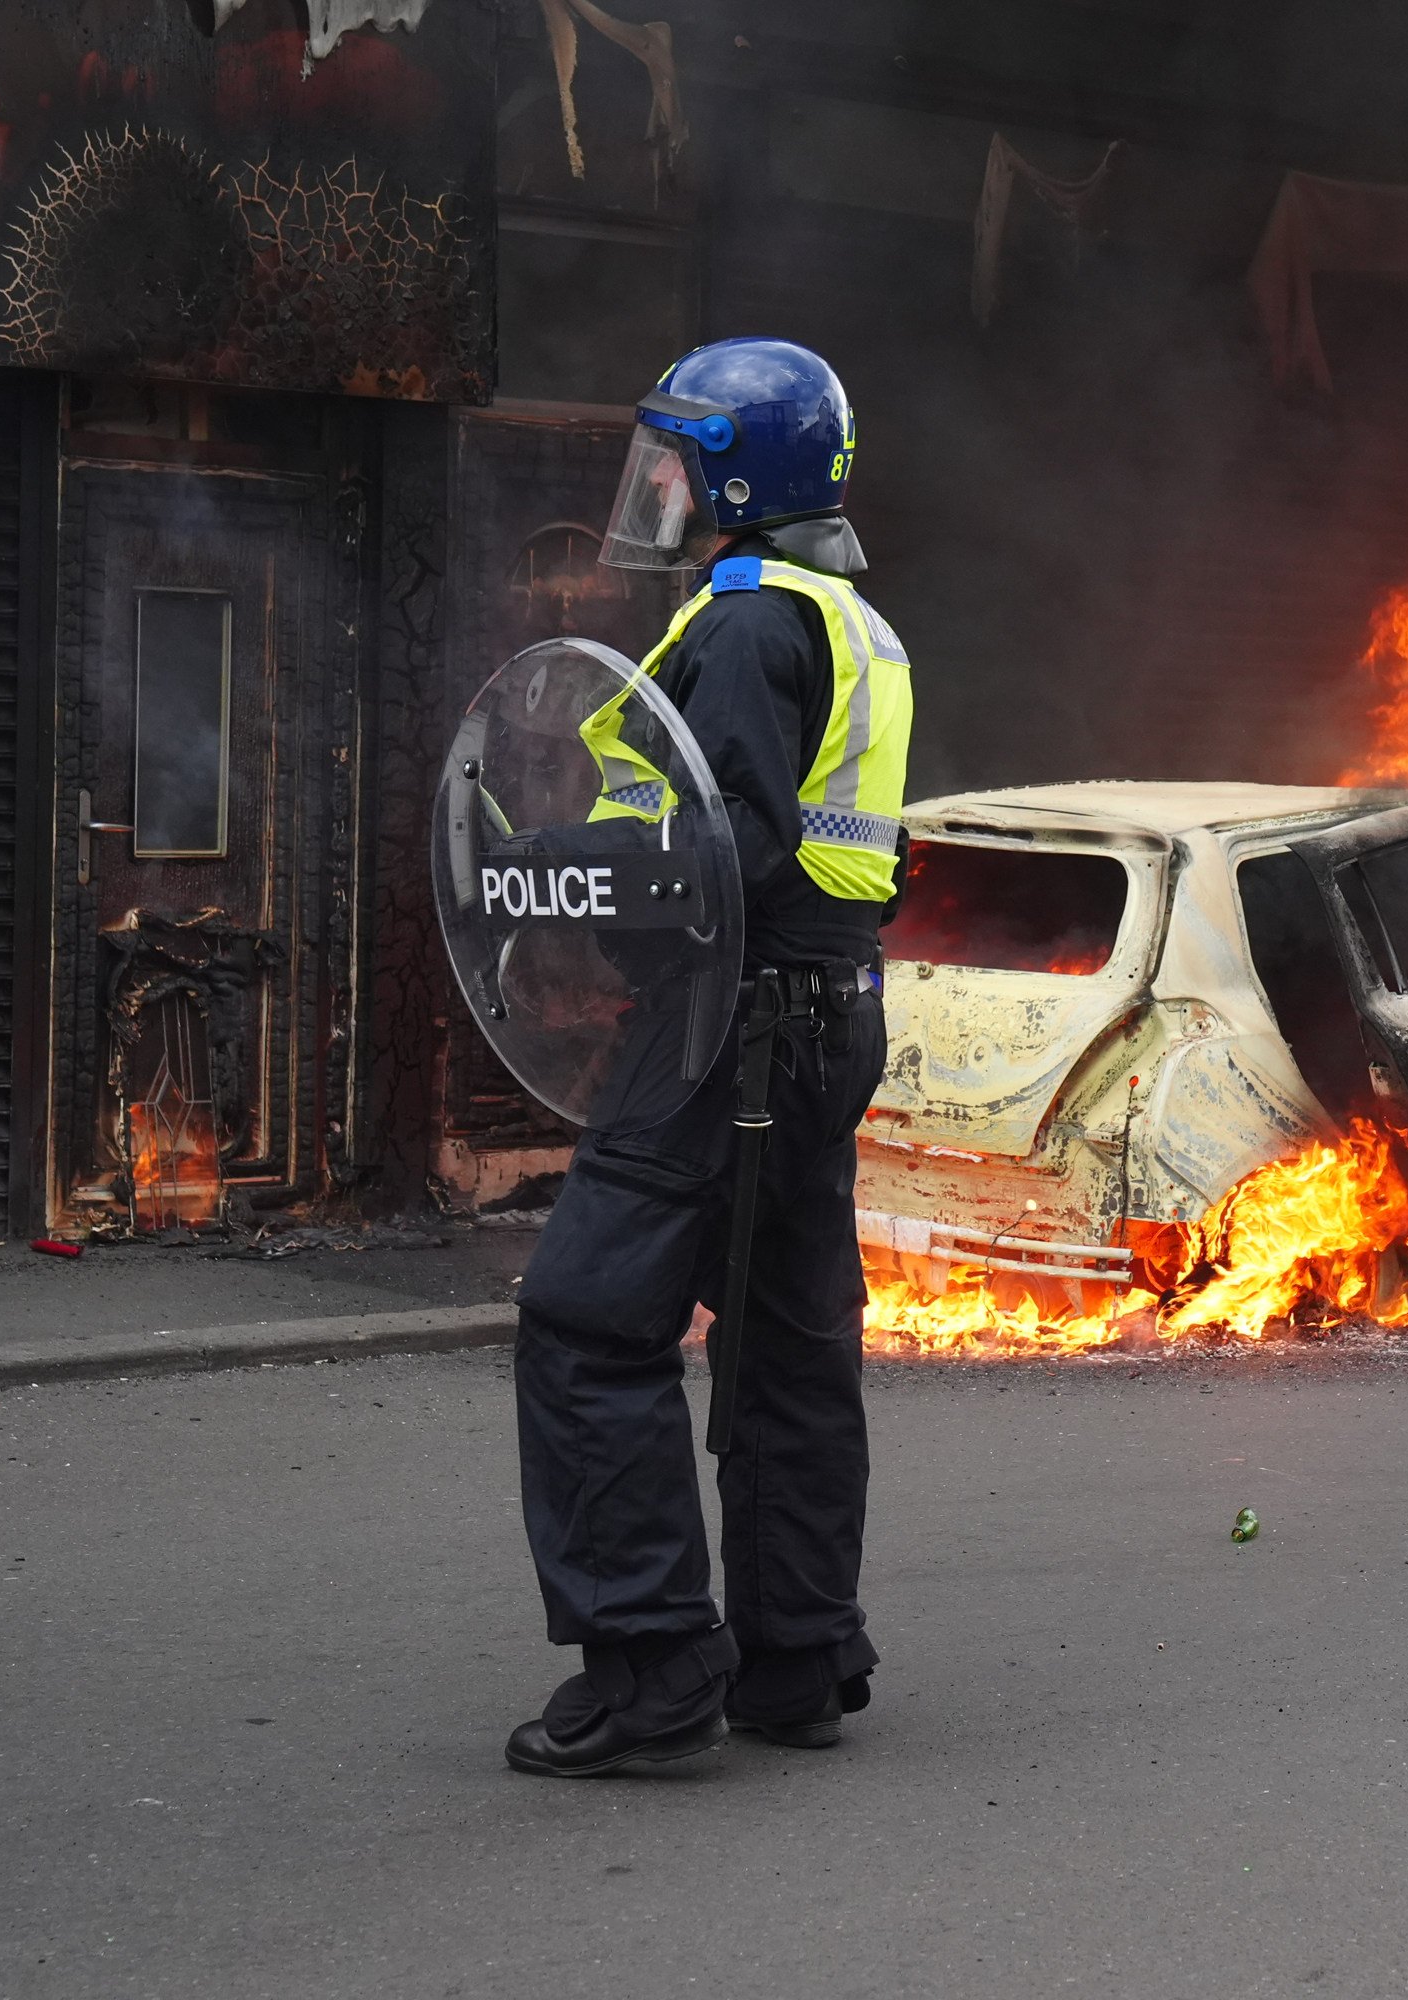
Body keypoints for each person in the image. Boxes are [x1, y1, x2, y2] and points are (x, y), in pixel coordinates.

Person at [502, 338, 914, 1777]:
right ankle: (798, 1660)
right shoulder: (845, 616)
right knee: (791, 1344)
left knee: (586, 1323)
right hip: (822, 1017)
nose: (658, 482)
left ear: (737, 473)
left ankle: (653, 1670)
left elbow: (726, 851)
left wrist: (552, 865)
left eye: (675, 457)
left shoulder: (741, 621)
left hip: (720, 1025)